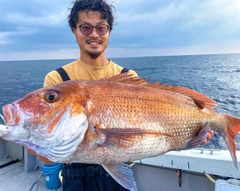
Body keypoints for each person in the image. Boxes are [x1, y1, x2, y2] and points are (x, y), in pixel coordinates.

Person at [27, 0, 214, 191]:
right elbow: (50, 146)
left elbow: (149, 130)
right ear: (74, 31)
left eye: (101, 28)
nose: (94, 34)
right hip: (75, 178)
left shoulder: (128, 77)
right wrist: (42, 149)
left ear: (108, 32)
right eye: (85, 27)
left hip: (116, 176)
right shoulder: (57, 80)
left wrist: (189, 137)